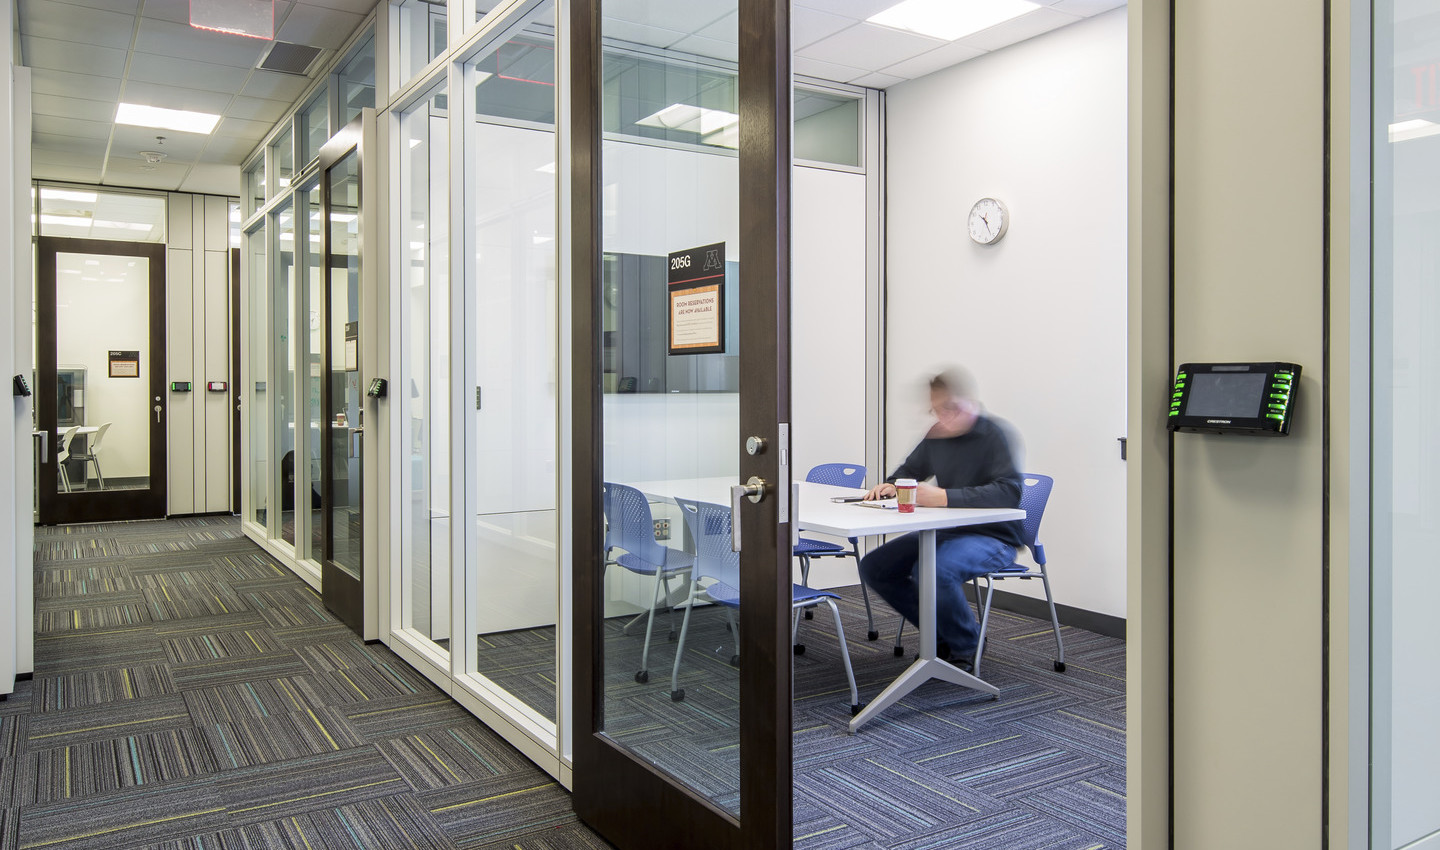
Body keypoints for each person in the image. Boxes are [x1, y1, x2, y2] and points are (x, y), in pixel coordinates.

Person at [859, 368, 1024, 670]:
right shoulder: (937, 434)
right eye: (937, 410)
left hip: (994, 537)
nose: (945, 417)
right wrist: (891, 485)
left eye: (950, 408)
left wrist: (944, 497)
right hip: (946, 531)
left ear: (968, 403)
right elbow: (908, 472)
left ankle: (967, 645)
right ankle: (941, 635)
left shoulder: (992, 435)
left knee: (932, 570)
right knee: (874, 566)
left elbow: (1009, 492)